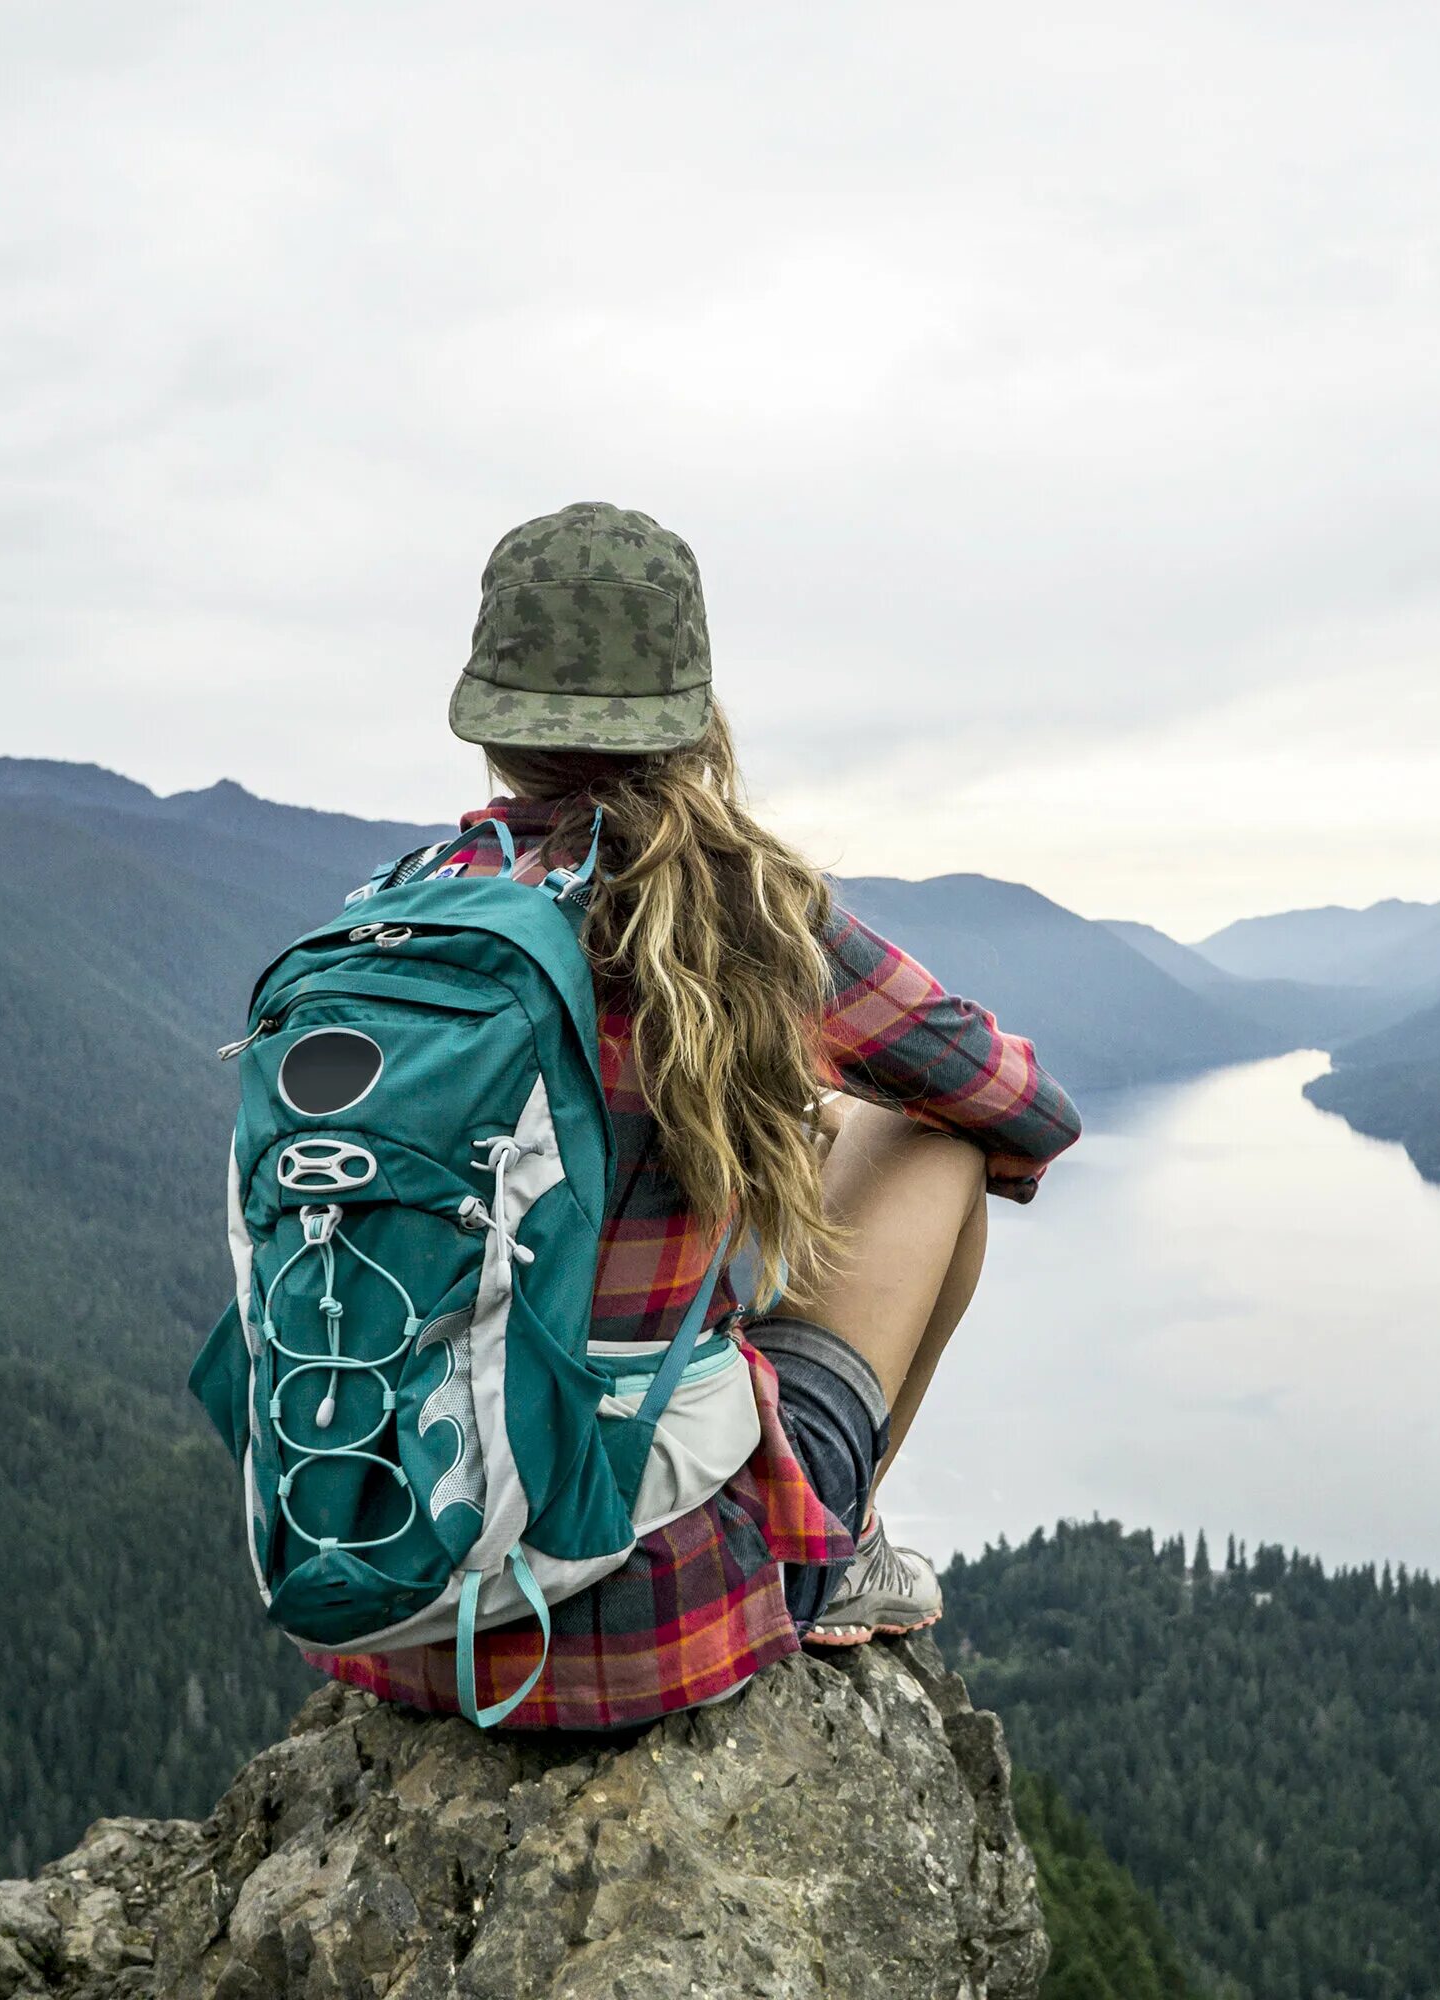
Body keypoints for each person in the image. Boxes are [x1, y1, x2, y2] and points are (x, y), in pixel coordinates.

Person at [301, 502, 1080, 1729]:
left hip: (397, 1603)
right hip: (655, 1616)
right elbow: (1022, 1106)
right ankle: (841, 1545)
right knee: (936, 1143)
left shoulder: (395, 921)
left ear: (493, 723)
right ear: (690, 712)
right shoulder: (747, 913)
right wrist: (796, 1091)